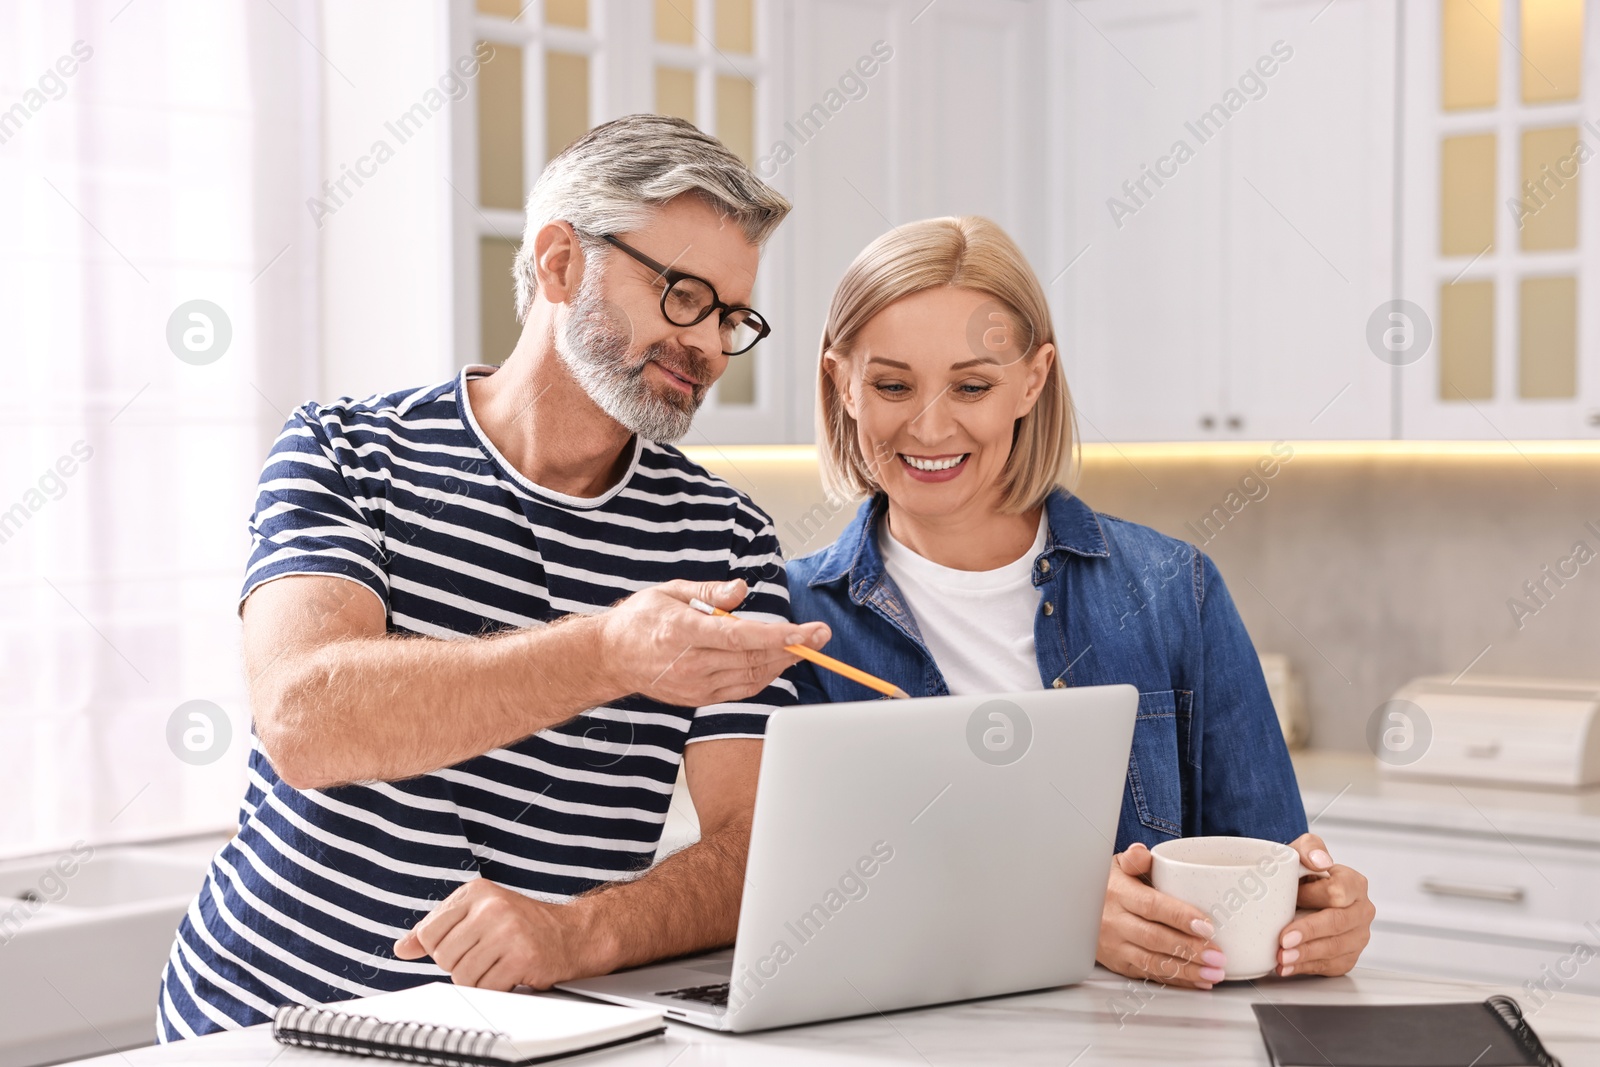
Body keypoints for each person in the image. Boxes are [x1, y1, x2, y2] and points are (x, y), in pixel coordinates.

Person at [156, 115, 831, 1039]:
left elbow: (758, 851)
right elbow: (305, 721)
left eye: (729, 316)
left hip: (529, 1036)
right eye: (681, 293)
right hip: (256, 1024)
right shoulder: (347, 451)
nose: (708, 343)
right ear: (559, 264)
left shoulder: (725, 537)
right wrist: (610, 651)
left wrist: (577, 932)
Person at [785, 216, 1374, 990]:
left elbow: (1266, 873)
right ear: (841, 383)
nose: (931, 425)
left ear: (1033, 379)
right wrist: (1057, 907)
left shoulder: (1175, 590)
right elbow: (796, 920)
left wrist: (1321, 915)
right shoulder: (792, 621)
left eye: (973, 385)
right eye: (892, 384)